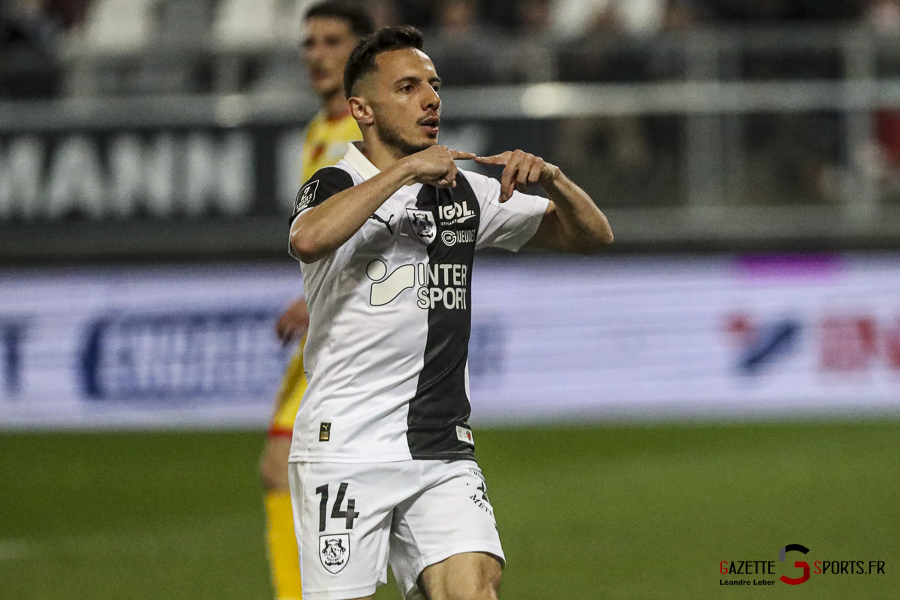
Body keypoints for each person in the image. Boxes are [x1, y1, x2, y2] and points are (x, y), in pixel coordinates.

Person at [287, 26, 613, 600]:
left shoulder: (463, 190)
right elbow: (308, 238)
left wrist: (555, 181)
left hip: (440, 446)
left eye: (433, 85)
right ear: (362, 108)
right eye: (408, 87)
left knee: (475, 591)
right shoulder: (336, 181)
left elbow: (592, 237)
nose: (431, 99)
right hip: (347, 448)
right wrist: (406, 172)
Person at [260, 3, 374, 600]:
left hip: (356, 332)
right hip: (327, 328)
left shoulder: (366, 132)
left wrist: (321, 293)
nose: (317, 54)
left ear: (360, 51)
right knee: (293, 474)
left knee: (288, 472)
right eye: (309, 43)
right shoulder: (319, 130)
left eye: (332, 41)